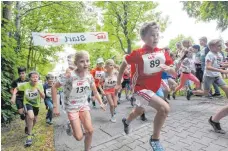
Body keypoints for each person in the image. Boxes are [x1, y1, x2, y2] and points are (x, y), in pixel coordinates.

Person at [116, 21, 175, 151]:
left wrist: (170, 72)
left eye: (158, 35)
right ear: (143, 38)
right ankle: (155, 139)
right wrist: (118, 82)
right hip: (140, 88)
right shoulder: (138, 53)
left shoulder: (162, 52)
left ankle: (126, 121)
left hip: (153, 89)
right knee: (164, 108)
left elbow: (171, 67)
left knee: (138, 111)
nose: (156, 38)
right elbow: (123, 64)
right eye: (152, 35)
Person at [52, 51, 106, 151]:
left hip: (83, 105)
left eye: (87, 61)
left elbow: (95, 91)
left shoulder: (89, 76)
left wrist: (101, 103)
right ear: (75, 63)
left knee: (90, 131)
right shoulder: (69, 75)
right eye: (82, 61)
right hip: (71, 108)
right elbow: (54, 87)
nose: (85, 64)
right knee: (79, 137)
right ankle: (70, 125)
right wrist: (55, 106)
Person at [11, 71, 45, 147]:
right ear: (30, 78)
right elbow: (16, 89)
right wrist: (13, 96)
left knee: (35, 120)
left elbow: (43, 97)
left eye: (36, 77)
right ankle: (29, 137)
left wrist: (39, 91)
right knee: (31, 117)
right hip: (27, 103)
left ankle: (28, 129)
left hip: (36, 105)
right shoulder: (25, 85)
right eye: (33, 77)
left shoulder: (40, 85)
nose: (35, 78)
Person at [10, 67, 29, 133]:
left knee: (27, 113)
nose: (21, 75)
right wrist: (14, 94)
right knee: (22, 113)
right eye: (20, 73)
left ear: (25, 73)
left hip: (27, 98)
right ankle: (21, 115)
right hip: (19, 98)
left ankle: (27, 126)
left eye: (23, 73)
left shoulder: (28, 80)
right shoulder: (16, 81)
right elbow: (11, 89)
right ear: (18, 74)